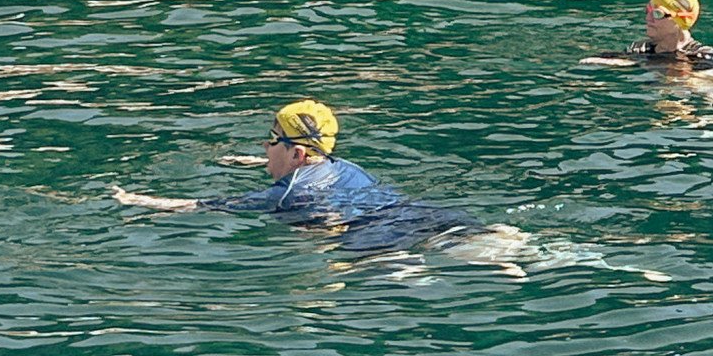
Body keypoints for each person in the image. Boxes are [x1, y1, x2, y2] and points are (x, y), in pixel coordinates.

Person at [116, 98, 486, 254]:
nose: (264, 145)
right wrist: (253, 160)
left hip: (370, 239)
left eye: (271, 140)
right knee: (483, 242)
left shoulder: (285, 193)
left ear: (296, 154)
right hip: (416, 212)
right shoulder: (344, 167)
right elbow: (311, 166)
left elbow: (205, 205)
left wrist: (138, 200)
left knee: (401, 274)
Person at [593, 0, 713, 70]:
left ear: (679, 21)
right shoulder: (639, 49)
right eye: (648, 11)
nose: (648, 18)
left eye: (657, 14)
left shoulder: (701, 55)